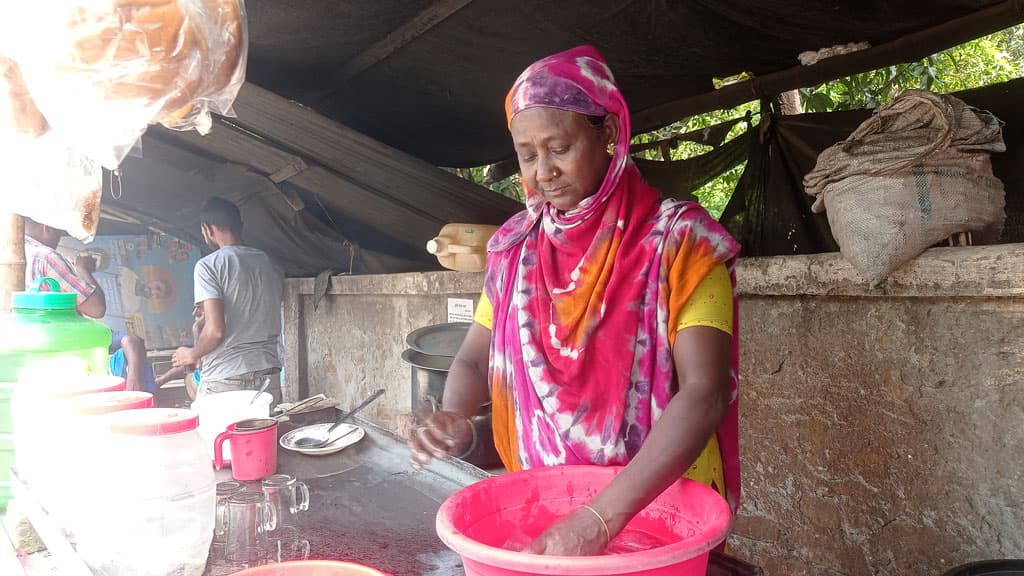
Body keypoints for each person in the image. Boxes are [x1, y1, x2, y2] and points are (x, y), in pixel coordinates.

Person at [408, 46, 741, 556]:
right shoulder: (515, 250)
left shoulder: (681, 242)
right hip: (546, 502)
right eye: (526, 154)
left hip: (659, 506)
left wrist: (600, 518)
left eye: (558, 148)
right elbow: (475, 355)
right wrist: (454, 413)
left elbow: (704, 393)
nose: (544, 172)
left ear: (607, 134)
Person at [172, 197, 285, 404]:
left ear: (207, 229)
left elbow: (216, 331)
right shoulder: (271, 264)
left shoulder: (208, 266)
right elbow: (256, 311)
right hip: (268, 375)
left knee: (214, 436)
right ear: (240, 226)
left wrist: (191, 354)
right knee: (263, 436)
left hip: (226, 377)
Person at [23, 218, 156, 392]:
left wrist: (133, 376)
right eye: (58, 233)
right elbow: (96, 308)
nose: (59, 240)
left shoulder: (19, 254)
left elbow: (131, 340)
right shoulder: (45, 257)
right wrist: (83, 271)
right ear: (46, 227)